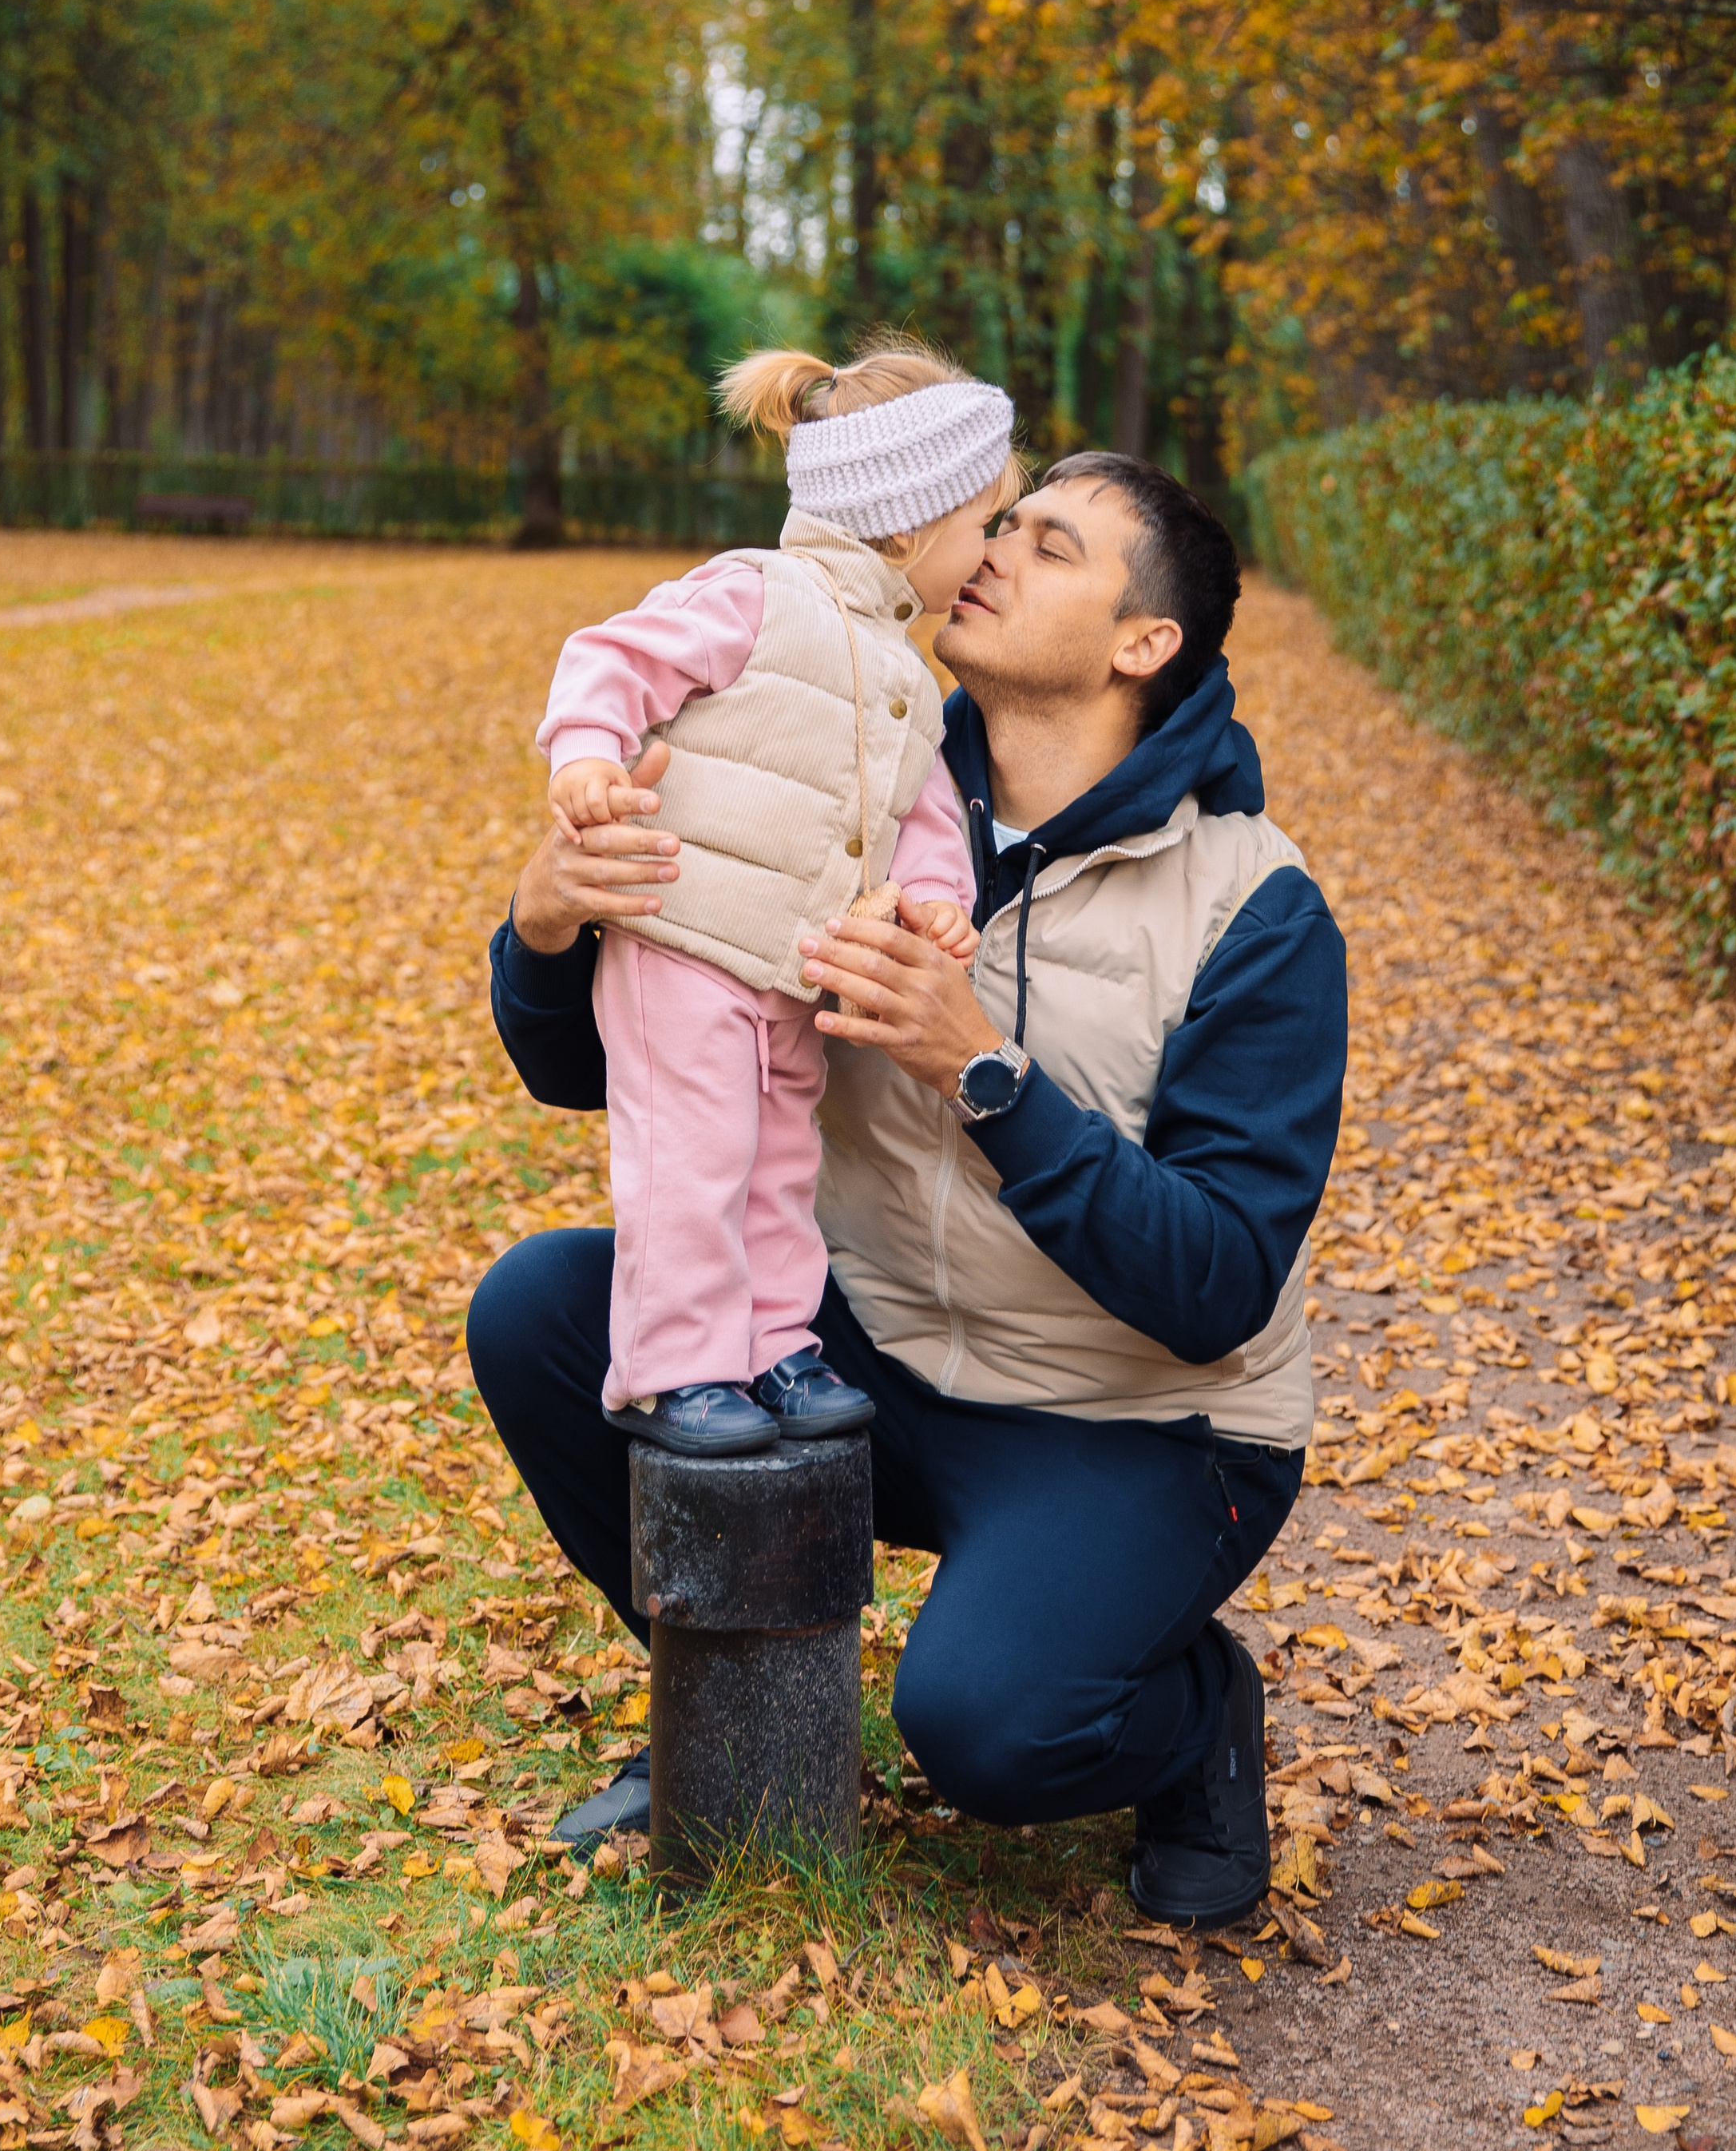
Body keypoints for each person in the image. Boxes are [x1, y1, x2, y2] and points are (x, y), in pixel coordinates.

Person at [470, 449, 1346, 1928]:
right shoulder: (856, 776)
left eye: (1050, 543)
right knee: (543, 1313)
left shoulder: (1253, 907)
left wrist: (986, 1072)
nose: (993, 548)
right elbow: (598, 1071)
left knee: (991, 1731)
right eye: (999, 522)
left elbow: (1213, 1288)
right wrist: (548, 924)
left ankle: (1192, 1716)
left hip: (1135, 1424)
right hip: (862, 1349)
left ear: (1146, 643)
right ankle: (732, 1712)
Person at [537, 339, 1024, 1458]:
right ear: (908, 525)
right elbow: (611, 660)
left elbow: (921, 815)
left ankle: (773, 1346)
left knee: (778, 1163)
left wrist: (937, 906)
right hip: (685, 944)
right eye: (985, 523)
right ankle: (679, 1367)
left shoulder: (904, 670)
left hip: (789, 973)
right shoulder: (753, 595)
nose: (991, 552)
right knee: (692, 1161)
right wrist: (585, 757)